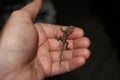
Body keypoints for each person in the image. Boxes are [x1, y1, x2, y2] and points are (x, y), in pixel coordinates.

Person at [0, 0, 91, 80]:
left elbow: (64, 31)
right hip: (63, 39)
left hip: (62, 39)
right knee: (65, 44)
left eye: (71, 28)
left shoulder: (68, 32)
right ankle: (65, 48)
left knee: (64, 43)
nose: (71, 28)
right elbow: (64, 31)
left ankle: (64, 47)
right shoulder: (68, 32)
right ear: (70, 30)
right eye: (71, 28)